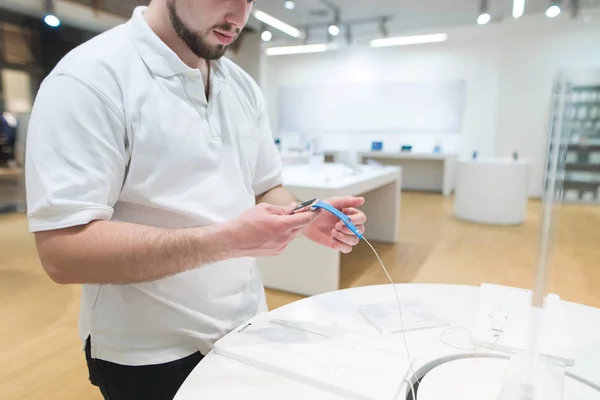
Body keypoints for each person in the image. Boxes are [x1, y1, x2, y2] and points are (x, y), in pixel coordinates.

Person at [25, 0, 367, 399]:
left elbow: (264, 185)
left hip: (247, 325)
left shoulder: (240, 84)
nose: (240, 16)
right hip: (147, 354)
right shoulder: (88, 79)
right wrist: (226, 240)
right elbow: (64, 253)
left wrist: (308, 217)